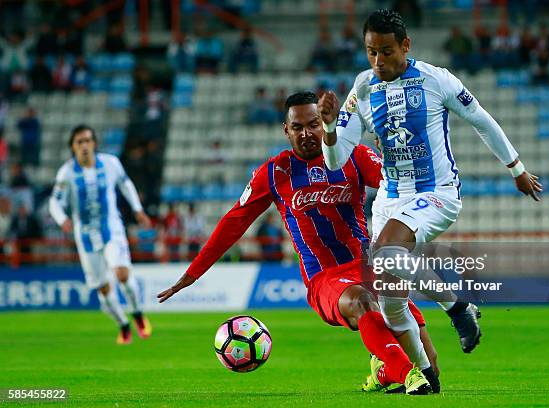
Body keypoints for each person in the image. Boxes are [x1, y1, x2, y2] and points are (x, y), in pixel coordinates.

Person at [157, 92, 440, 395]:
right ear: (286, 130)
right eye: (298, 127)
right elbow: (233, 223)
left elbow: (398, 185)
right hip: (326, 277)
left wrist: (395, 160)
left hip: (370, 267)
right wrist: (191, 275)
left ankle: (385, 371)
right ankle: (408, 375)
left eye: (313, 124)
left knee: (433, 368)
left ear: (325, 123)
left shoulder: (354, 155)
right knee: (361, 302)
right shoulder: (275, 172)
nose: (307, 134)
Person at [318, 9, 542, 365]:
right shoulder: (362, 87)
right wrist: (329, 129)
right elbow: (334, 160)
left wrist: (516, 168)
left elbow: (481, 120)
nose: (378, 60)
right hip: (390, 199)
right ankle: (426, 373)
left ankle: (455, 306)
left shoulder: (437, 80)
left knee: (388, 250)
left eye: (387, 51)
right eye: (371, 51)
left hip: (435, 193)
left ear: (406, 45)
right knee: (390, 294)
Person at [49, 125, 153, 345]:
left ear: (94, 143)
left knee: (122, 274)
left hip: (112, 228)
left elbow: (126, 185)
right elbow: (54, 202)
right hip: (85, 236)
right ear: (73, 147)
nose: (84, 145)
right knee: (104, 289)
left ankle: (137, 314)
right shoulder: (66, 172)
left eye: (88, 140)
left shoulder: (110, 163)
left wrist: (137, 209)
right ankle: (123, 325)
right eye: (79, 142)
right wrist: (62, 219)